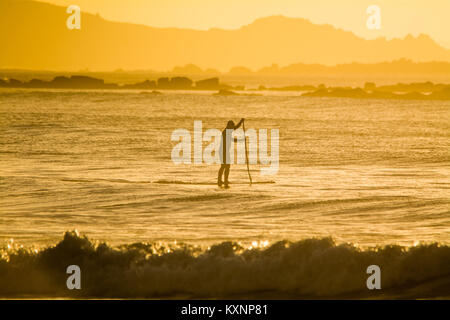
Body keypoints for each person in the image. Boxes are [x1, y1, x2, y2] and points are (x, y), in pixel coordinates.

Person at [218, 118, 245, 188]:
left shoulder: (228, 131)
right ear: (229, 126)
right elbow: (232, 140)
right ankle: (220, 180)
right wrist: (241, 140)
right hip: (223, 151)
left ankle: (224, 180)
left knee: (226, 166)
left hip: (225, 151)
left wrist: (241, 122)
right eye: (232, 125)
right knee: (224, 166)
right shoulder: (225, 132)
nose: (233, 127)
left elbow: (235, 127)